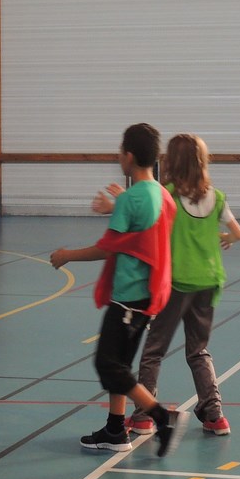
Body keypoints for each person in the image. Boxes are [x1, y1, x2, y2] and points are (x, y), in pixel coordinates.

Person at [49, 123, 187, 457]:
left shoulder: (132, 199)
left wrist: (67, 255)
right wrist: (118, 206)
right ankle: (114, 429)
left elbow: (108, 247)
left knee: (107, 364)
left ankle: (161, 416)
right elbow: (143, 231)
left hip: (128, 297)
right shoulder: (160, 194)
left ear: (128, 156)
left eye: (120, 152)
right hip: (148, 295)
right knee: (121, 363)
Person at [122, 133, 240, 438]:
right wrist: (224, 238)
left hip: (177, 284)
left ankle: (143, 417)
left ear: (171, 162)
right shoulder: (217, 197)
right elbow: (239, 233)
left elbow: (149, 229)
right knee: (198, 350)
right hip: (209, 282)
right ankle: (215, 415)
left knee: (153, 350)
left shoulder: (168, 195)